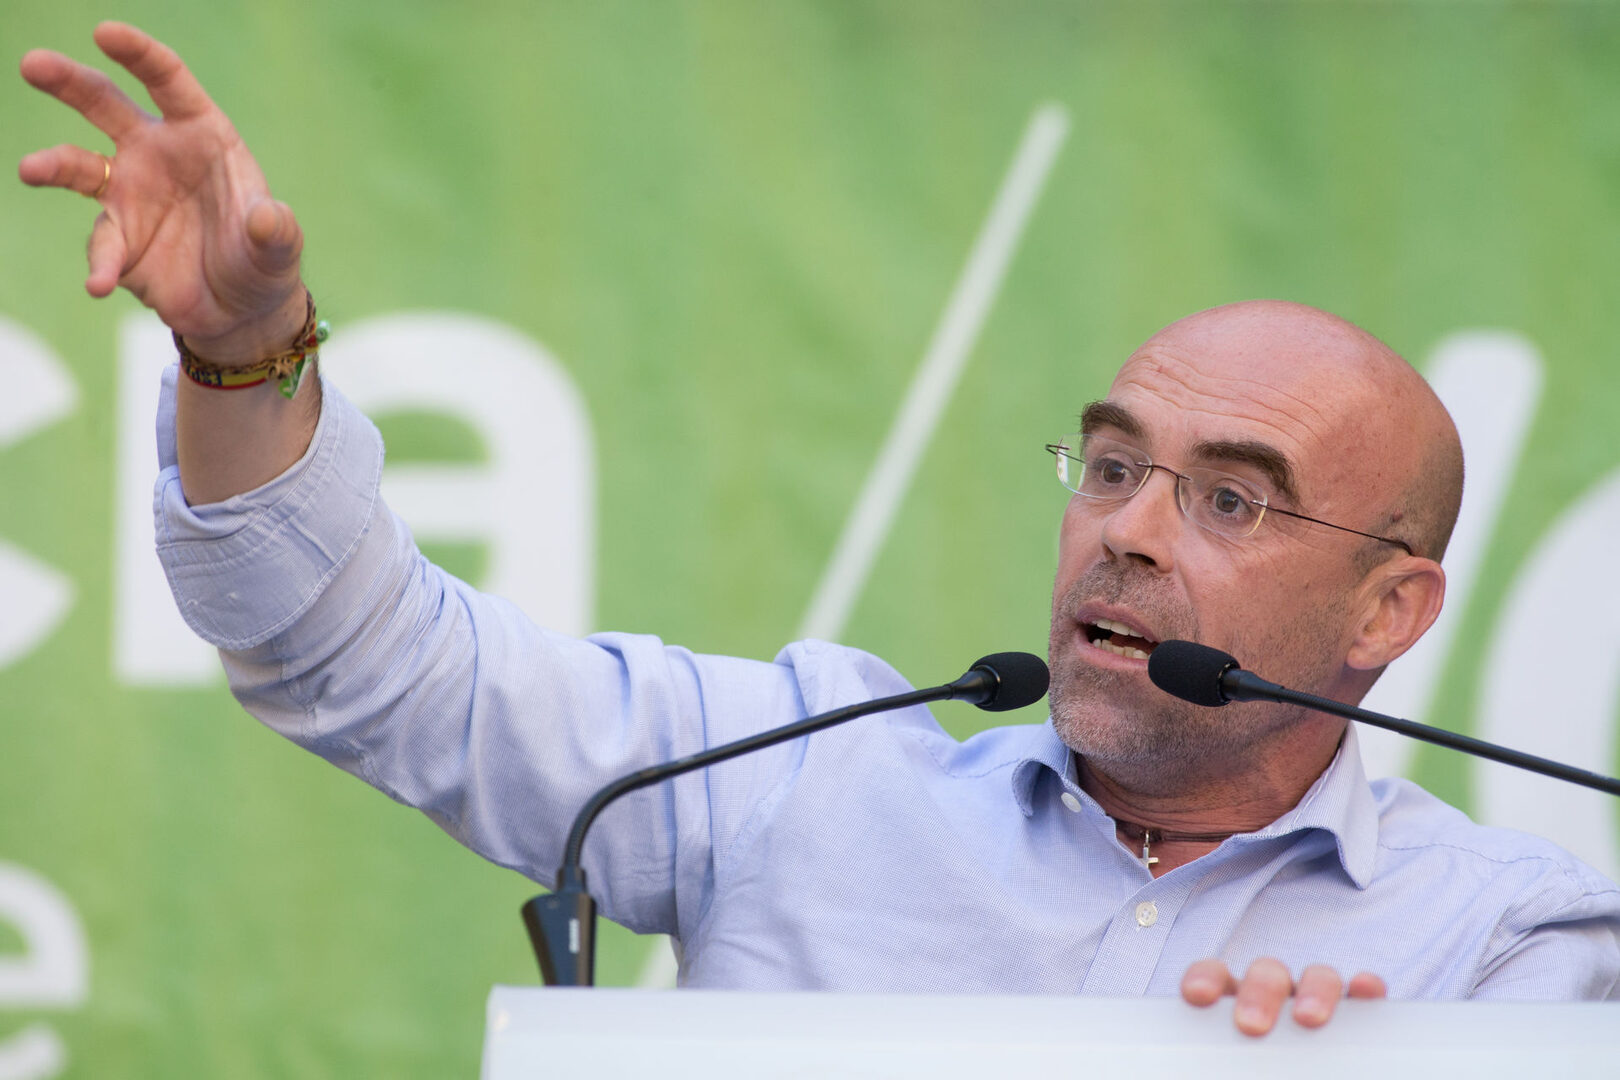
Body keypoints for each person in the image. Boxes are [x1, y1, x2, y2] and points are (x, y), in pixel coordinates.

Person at [21, 22, 1620, 1040]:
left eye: (1226, 499)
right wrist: (246, 355)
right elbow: (357, 659)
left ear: (1391, 609)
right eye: (1111, 466)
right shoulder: (792, 782)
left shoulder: (1505, 950)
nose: (1128, 533)